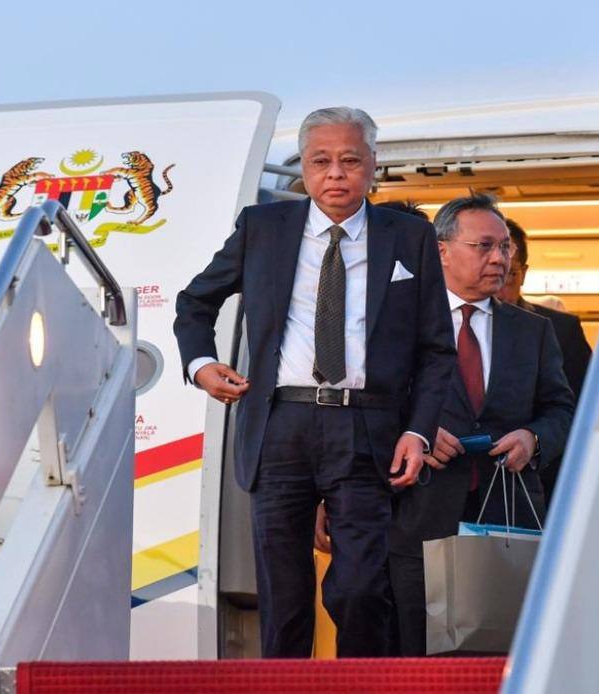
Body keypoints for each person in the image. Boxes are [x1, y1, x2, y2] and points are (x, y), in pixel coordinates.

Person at [173, 107, 456, 658]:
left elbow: (436, 349)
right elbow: (194, 303)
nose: (336, 174)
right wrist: (201, 364)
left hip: (367, 428)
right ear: (303, 166)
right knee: (283, 597)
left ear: (373, 164)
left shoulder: (410, 236)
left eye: (350, 160)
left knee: (360, 589)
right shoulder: (263, 228)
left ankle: (359, 686)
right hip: (279, 424)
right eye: (321, 161)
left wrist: (418, 431)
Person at [385, 193, 575, 656]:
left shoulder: (533, 330)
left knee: (500, 657)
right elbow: (370, 408)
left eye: (504, 247)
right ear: (442, 252)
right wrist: (415, 432)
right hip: (417, 518)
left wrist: (533, 438)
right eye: (484, 246)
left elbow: (563, 411)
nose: (499, 259)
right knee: (416, 660)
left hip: (506, 523)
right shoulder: (398, 323)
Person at [498, 219, 591, 501]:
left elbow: (582, 410)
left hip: (543, 483)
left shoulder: (561, 330)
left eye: (509, 274)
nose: (498, 286)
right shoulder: (444, 325)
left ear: (524, 273)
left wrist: (536, 440)